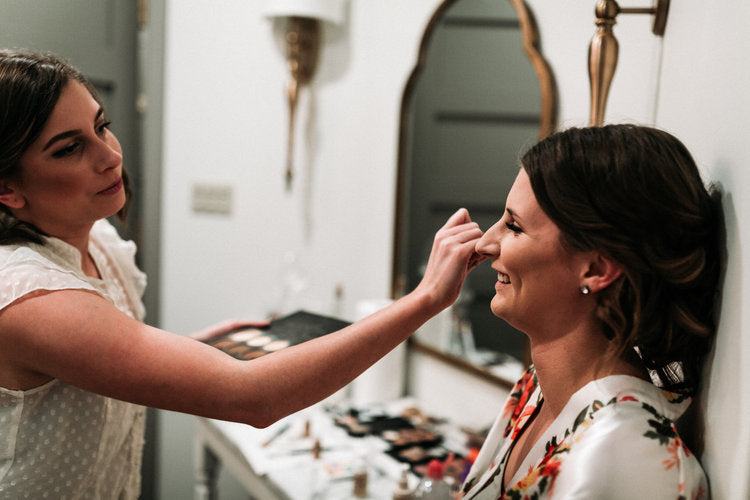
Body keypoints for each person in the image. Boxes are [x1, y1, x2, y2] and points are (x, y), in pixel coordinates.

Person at [0, 50, 485, 498]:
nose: (109, 156)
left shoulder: (100, 245)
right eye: (68, 149)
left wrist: (191, 348)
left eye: (102, 127)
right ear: (8, 189)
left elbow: (95, 352)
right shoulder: (26, 296)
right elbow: (255, 398)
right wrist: (424, 300)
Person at [459, 125, 721, 499]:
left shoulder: (627, 453)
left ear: (596, 270)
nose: (485, 242)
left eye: (514, 226)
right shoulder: (535, 390)